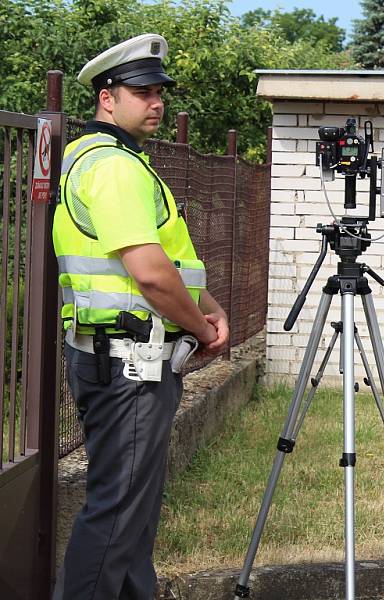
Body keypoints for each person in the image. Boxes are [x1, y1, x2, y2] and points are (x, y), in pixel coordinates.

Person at [52, 33, 229, 600]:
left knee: (131, 518)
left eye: (160, 93)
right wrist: (202, 330)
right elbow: (150, 272)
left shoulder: (102, 159)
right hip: (129, 367)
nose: (157, 103)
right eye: (143, 92)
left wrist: (206, 303)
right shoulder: (115, 169)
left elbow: (165, 260)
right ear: (108, 97)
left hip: (120, 360)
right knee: (114, 518)